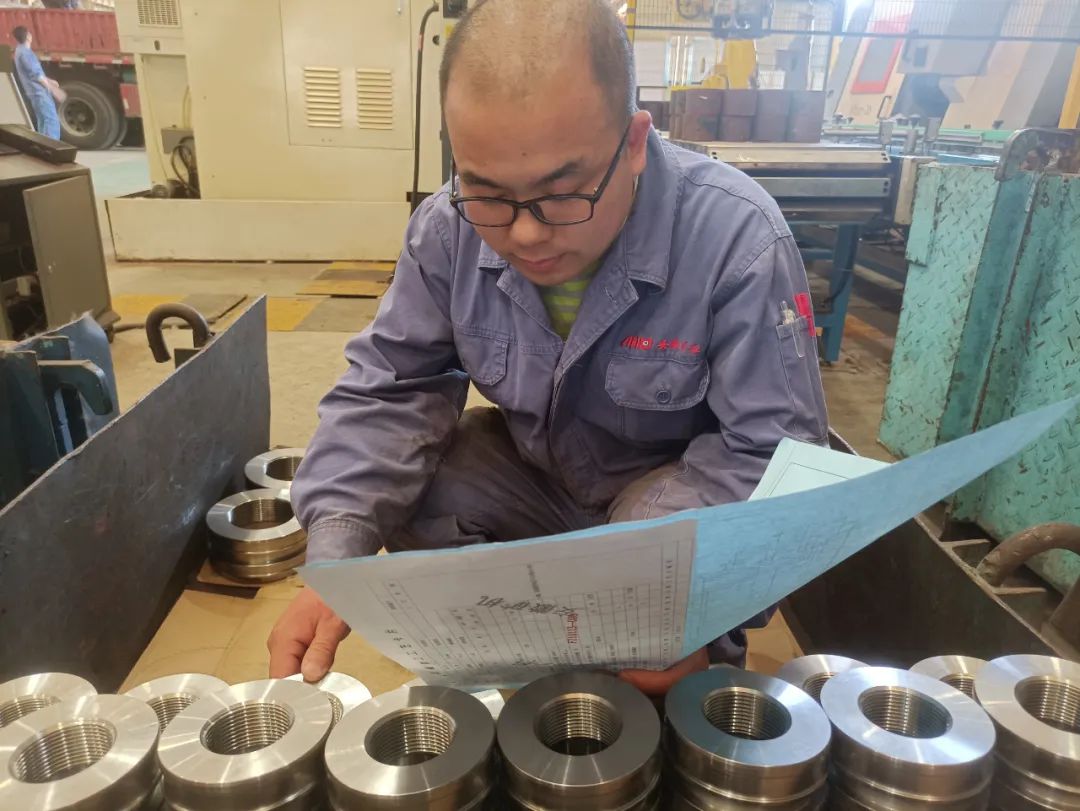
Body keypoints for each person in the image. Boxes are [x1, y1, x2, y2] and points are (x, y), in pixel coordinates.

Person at [267, 0, 827, 696]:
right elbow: (391, 389)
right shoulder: (446, 230)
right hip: (543, 490)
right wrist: (337, 559)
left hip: (674, 526)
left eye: (562, 194)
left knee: (654, 644)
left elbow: (774, 457)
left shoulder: (738, 240)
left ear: (633, 143)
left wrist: (677, 600)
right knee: (423, 479)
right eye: (487, 193)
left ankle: (666, 644)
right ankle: (516, 670)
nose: (526, 235)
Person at [11, 26, 62, 140]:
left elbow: (33, 72)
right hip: (39, 92)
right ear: (28, 36)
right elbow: (36, 75)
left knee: (43, 120)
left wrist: (49, 80)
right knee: (51, 120)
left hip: (34, 92)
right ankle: (51, 144)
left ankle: (44, 144)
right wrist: (53, 89)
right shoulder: (25, 53)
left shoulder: (19, 51)